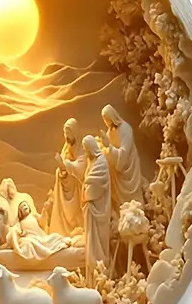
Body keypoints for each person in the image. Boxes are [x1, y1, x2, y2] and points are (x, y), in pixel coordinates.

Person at [100, 104, 142, 213]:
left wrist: (109, 147)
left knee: (133, 200)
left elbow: (124, 153)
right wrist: (103, 148)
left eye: (107, 119)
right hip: (117, 175)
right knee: (120, 203)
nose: (106, 122)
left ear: (113, 116)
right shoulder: (110, 132)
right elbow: (109, 152)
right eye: (104, 120)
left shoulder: (126, 129)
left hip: (129, 168)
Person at [82, 135, 112, 284]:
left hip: (99, 207)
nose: (85, 152)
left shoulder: (101, 161)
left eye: (86, 149)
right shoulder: (92, 161)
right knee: (91, 240)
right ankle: (91, 278)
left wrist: (87, 182)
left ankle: (101, 273)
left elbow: (99, 181)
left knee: (99, 241)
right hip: (91, 207)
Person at [49, 118, 86, 236]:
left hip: (77, 189)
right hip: (65, 187)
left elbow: (81, 167)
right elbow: (62, 163)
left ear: (75, 132)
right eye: (65, 133)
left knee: (76, 214)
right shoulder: (66, 147)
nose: (66, 136)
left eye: (68, 133)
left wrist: (66, 165)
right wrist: (62, 169)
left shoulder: (82, 148)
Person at [5, 200, 71, 262]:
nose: (24, 207)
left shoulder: (34, 216)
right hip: (30, 237)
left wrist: (45, 209)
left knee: (54, 236)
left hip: (40, 237)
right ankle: (44, 251)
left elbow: (42, 221)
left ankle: (63, 242)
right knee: (28, 243)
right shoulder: (21, 222)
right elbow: (16, 231)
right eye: (22, 207)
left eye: (25, 205)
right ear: (20, 212)